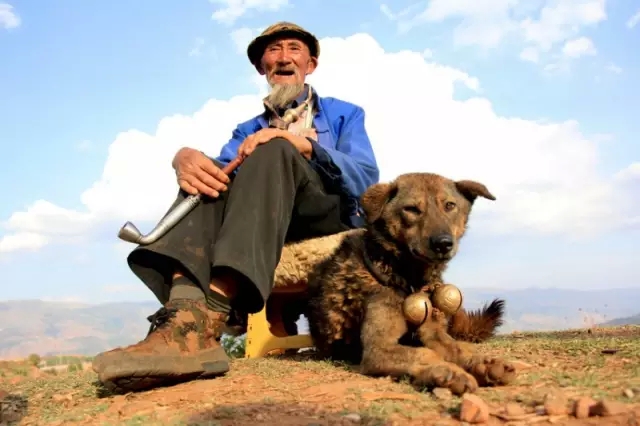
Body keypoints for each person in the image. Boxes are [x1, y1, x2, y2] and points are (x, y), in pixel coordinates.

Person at [92, 21, 380, 392]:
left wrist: (302, 145)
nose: (283, 58)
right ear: (262, 68)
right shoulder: (247, 129)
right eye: (273, 51)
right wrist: (185, 159)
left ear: (310, 64)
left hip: (327, 215)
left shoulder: (344, 114)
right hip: (266, 220)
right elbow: (223, 175)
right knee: (208, 179)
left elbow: (366, 177)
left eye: (294, 49)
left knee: (274, 149)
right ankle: (183, 321)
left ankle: (210, 315)